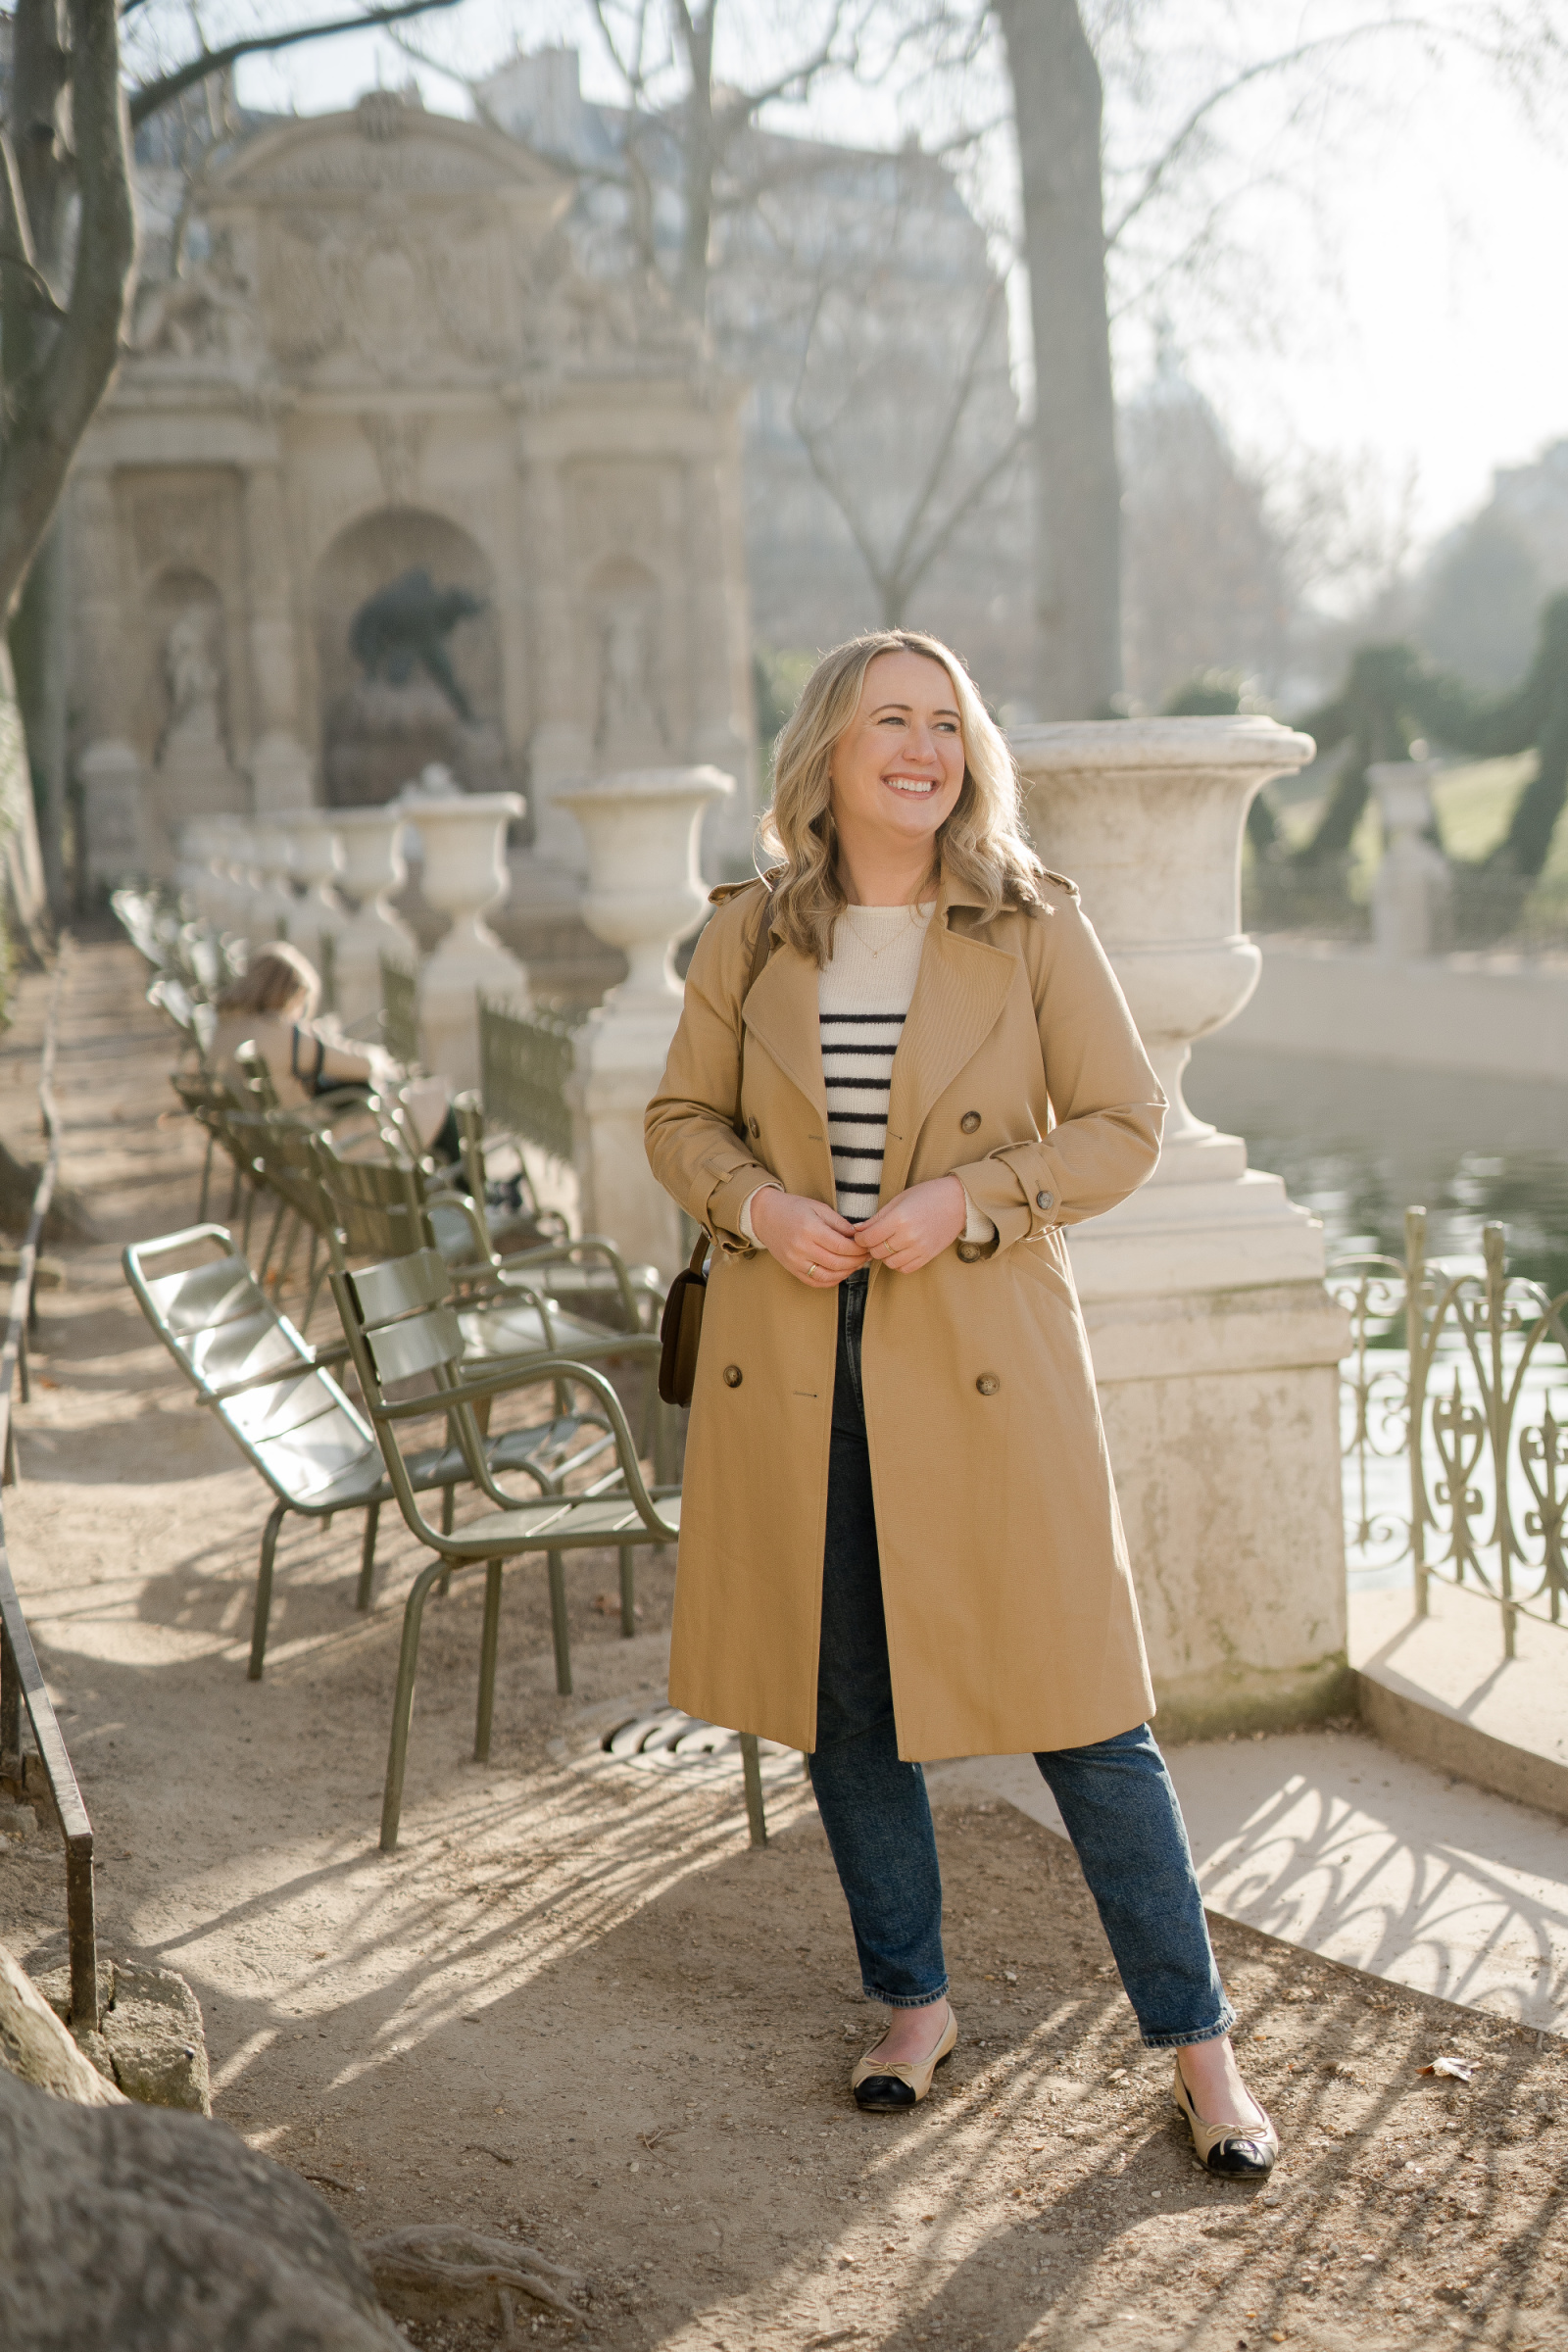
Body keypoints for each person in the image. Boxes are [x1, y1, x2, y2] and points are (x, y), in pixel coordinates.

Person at [645, 629, 1277, 2177]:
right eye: (890, 723)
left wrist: (970, 1201)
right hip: (799, 1367)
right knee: (846, 1705)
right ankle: (913, 2004)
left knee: (1089, 1719)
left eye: (946, 723)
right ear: (832, 755)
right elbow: (679, 1118)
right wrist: (756, 1210)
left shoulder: (1032, 923)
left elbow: (1124, 1129)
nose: (922, 747)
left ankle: (1202, 2051)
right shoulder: (750, 933)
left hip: (985, 1364)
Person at [211, 942, 457, 1158]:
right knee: (437, 1101)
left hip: (279, 1139)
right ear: (288, 992)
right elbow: (365, 1065)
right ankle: (469, 1193)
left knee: (411, 1105)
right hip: (318, 1141)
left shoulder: (226, 1029)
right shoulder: (279, 1032)